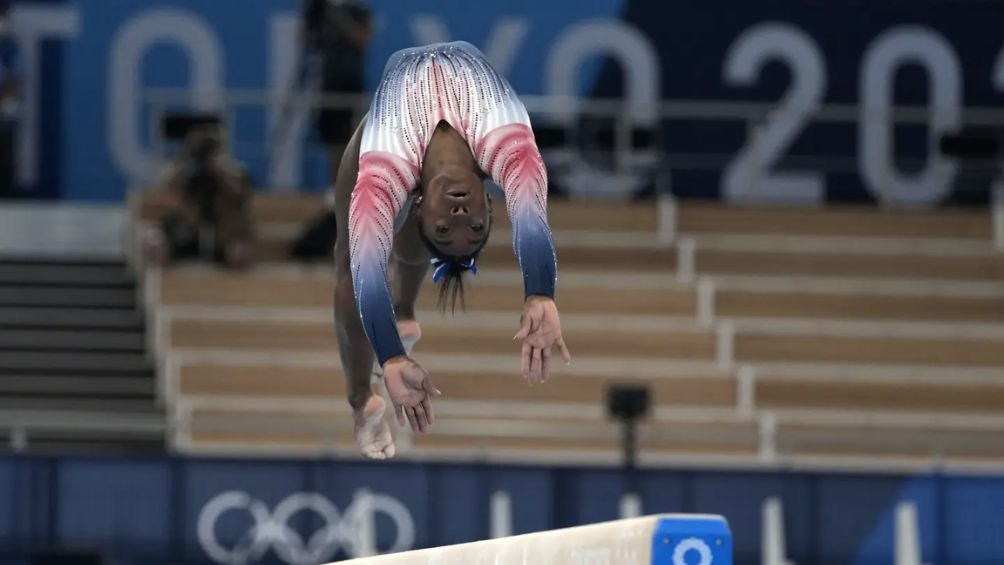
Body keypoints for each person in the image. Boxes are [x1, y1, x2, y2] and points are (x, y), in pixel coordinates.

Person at [333, 41, 572, 459]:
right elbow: (533, 221)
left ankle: (370, 379)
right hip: (415, 172)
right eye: (475, 225)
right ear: (491, 202)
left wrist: (390, 359)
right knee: (356, 259)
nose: (460, 214)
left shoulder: (385, 168)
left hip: (393, 149)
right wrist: (540, 293)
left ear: (418, 204)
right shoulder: (511, 148)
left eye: (446, 228)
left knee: (353, 263)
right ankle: (373, 373)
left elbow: (367, 278)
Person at [289, 0, 373, 261]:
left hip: (349, 87)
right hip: (328, 84)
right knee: (332, 146)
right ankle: (334, 194)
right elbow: (306, 42)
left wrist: (338, 16)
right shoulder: (318, 8)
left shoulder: (355, 11)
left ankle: (349, 195)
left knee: (348, 146)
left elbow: (362, 38)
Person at [144, 126, 254, 269]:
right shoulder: (189, 171)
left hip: (223, 230)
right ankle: (168, 287)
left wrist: (218, 166)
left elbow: (239, 191)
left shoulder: (232, 172)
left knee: (239, 252)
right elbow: (164, 186)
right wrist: (186, 158)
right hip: (190, 227)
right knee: (154, 241)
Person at [0, 0, 21, 198]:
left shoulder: (11, 47)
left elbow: (15, 81)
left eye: (5, 15)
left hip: (4, 121)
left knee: (6, 165)